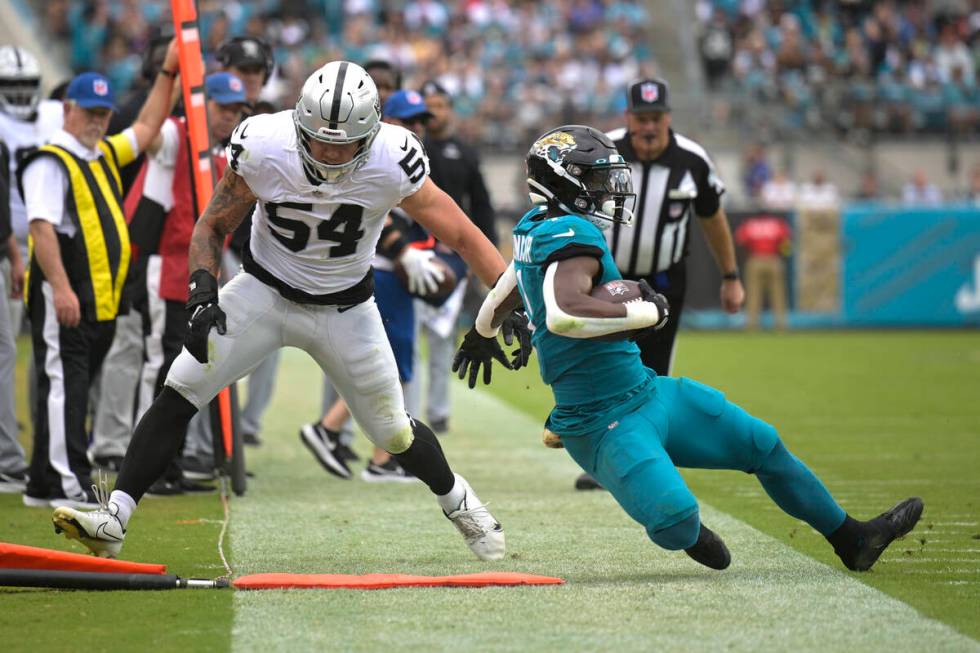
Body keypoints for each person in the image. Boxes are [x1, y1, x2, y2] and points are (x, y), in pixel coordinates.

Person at [52, 61, 512, 562]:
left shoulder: (393, 158)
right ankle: (114, 518)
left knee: (392, 430)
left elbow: (465, 236)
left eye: (345, 143)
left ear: (372, 134)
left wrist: (505, 309)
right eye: (321, 140)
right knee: (180, 386)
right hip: (263, 293)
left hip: (345, 308)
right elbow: (210, 226)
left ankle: (460, 501)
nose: (333, 153)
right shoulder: (265, 145)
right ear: (298, 125)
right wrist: (202, 289)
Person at [453, 124, 923, 573]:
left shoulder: (536, 225)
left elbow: (512, 282)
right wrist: (646, 312)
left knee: (762, 443)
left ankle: (852, 539)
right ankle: (692, 533)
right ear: (563, 180)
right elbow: (563, 312)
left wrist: (482, 328)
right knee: (676, 518)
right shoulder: (572, 234)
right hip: (599, 422)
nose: (607, 189)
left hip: (645, 390)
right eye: (595, 179)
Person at [19, 41, 180, 508]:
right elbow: (41, 228)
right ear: (68, 110)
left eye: (104, 114)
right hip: (66, 296)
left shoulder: (101, 154)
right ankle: (71, 480)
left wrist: (167, 72)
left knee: (72, 388)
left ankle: (43, 481)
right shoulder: (52, 160)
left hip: (98, 300)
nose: (97, 121)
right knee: (64, 388)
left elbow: (148, 126)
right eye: (89, 112)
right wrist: (62, 289)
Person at [577, 77, 744, 491]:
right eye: (641, 118)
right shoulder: (603, 150)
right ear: (628, 118)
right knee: (602, 370)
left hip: (665, 281)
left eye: (656, 118)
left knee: (652, 375)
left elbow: (712, 218)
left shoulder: (692, 159)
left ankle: (646, 462)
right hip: (609, 282)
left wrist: (731, 276)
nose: (648, 127)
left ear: (667, 118)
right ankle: (603, 460)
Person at [301, 88, 447, 482]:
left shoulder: (403, 161)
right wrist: (405, 253)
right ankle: (356, 445)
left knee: (392, 365)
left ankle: (362, 447)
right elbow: (379, 219)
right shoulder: (374, 161)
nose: (417, 128)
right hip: (383, 271)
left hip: (388, 272)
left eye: (421, 121)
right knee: (393, 365)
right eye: (409, 121)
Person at [124, 72, 249, 494]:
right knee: (159, 366)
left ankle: (174, 463)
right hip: (168, 268)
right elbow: (149, 135)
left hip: (204, 275)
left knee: (192, 368)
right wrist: (169, 79)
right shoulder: (178, 136)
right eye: (222, 107)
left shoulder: (230, 154)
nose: (229, 116)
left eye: (236, 110)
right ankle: (144, 466)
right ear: (202, 104)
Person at [404, 80, 496, 434]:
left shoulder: (465, 152)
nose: (434, 112)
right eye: (429, 105)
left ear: (450, 109)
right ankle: (409, 413)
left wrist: (481, 259)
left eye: (440, 105)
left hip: (453, 259)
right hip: (410, 255)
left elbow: (482, 206)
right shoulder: (409, 148)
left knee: (443, 338)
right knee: (406, 336)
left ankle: (439, 412)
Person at [216, 36, 278, 448]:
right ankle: (214, 433)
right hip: (216, 239)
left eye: (255, 73)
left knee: (268, 342)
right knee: (216, 339)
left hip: (257, 248)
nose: (249, 80)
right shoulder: (211, 113)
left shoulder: (271, 120)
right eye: (242, 71)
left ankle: (246, 426)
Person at [735, 214, 792, 331]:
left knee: (753, 294)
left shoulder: (750, 224)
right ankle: (781, 325)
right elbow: (786, 242)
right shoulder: (777, 224)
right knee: (778, 294)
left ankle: (752, 324)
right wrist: (783, 254)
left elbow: (739, 241)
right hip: (774, 259)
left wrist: (747, 254)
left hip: (755, 259)